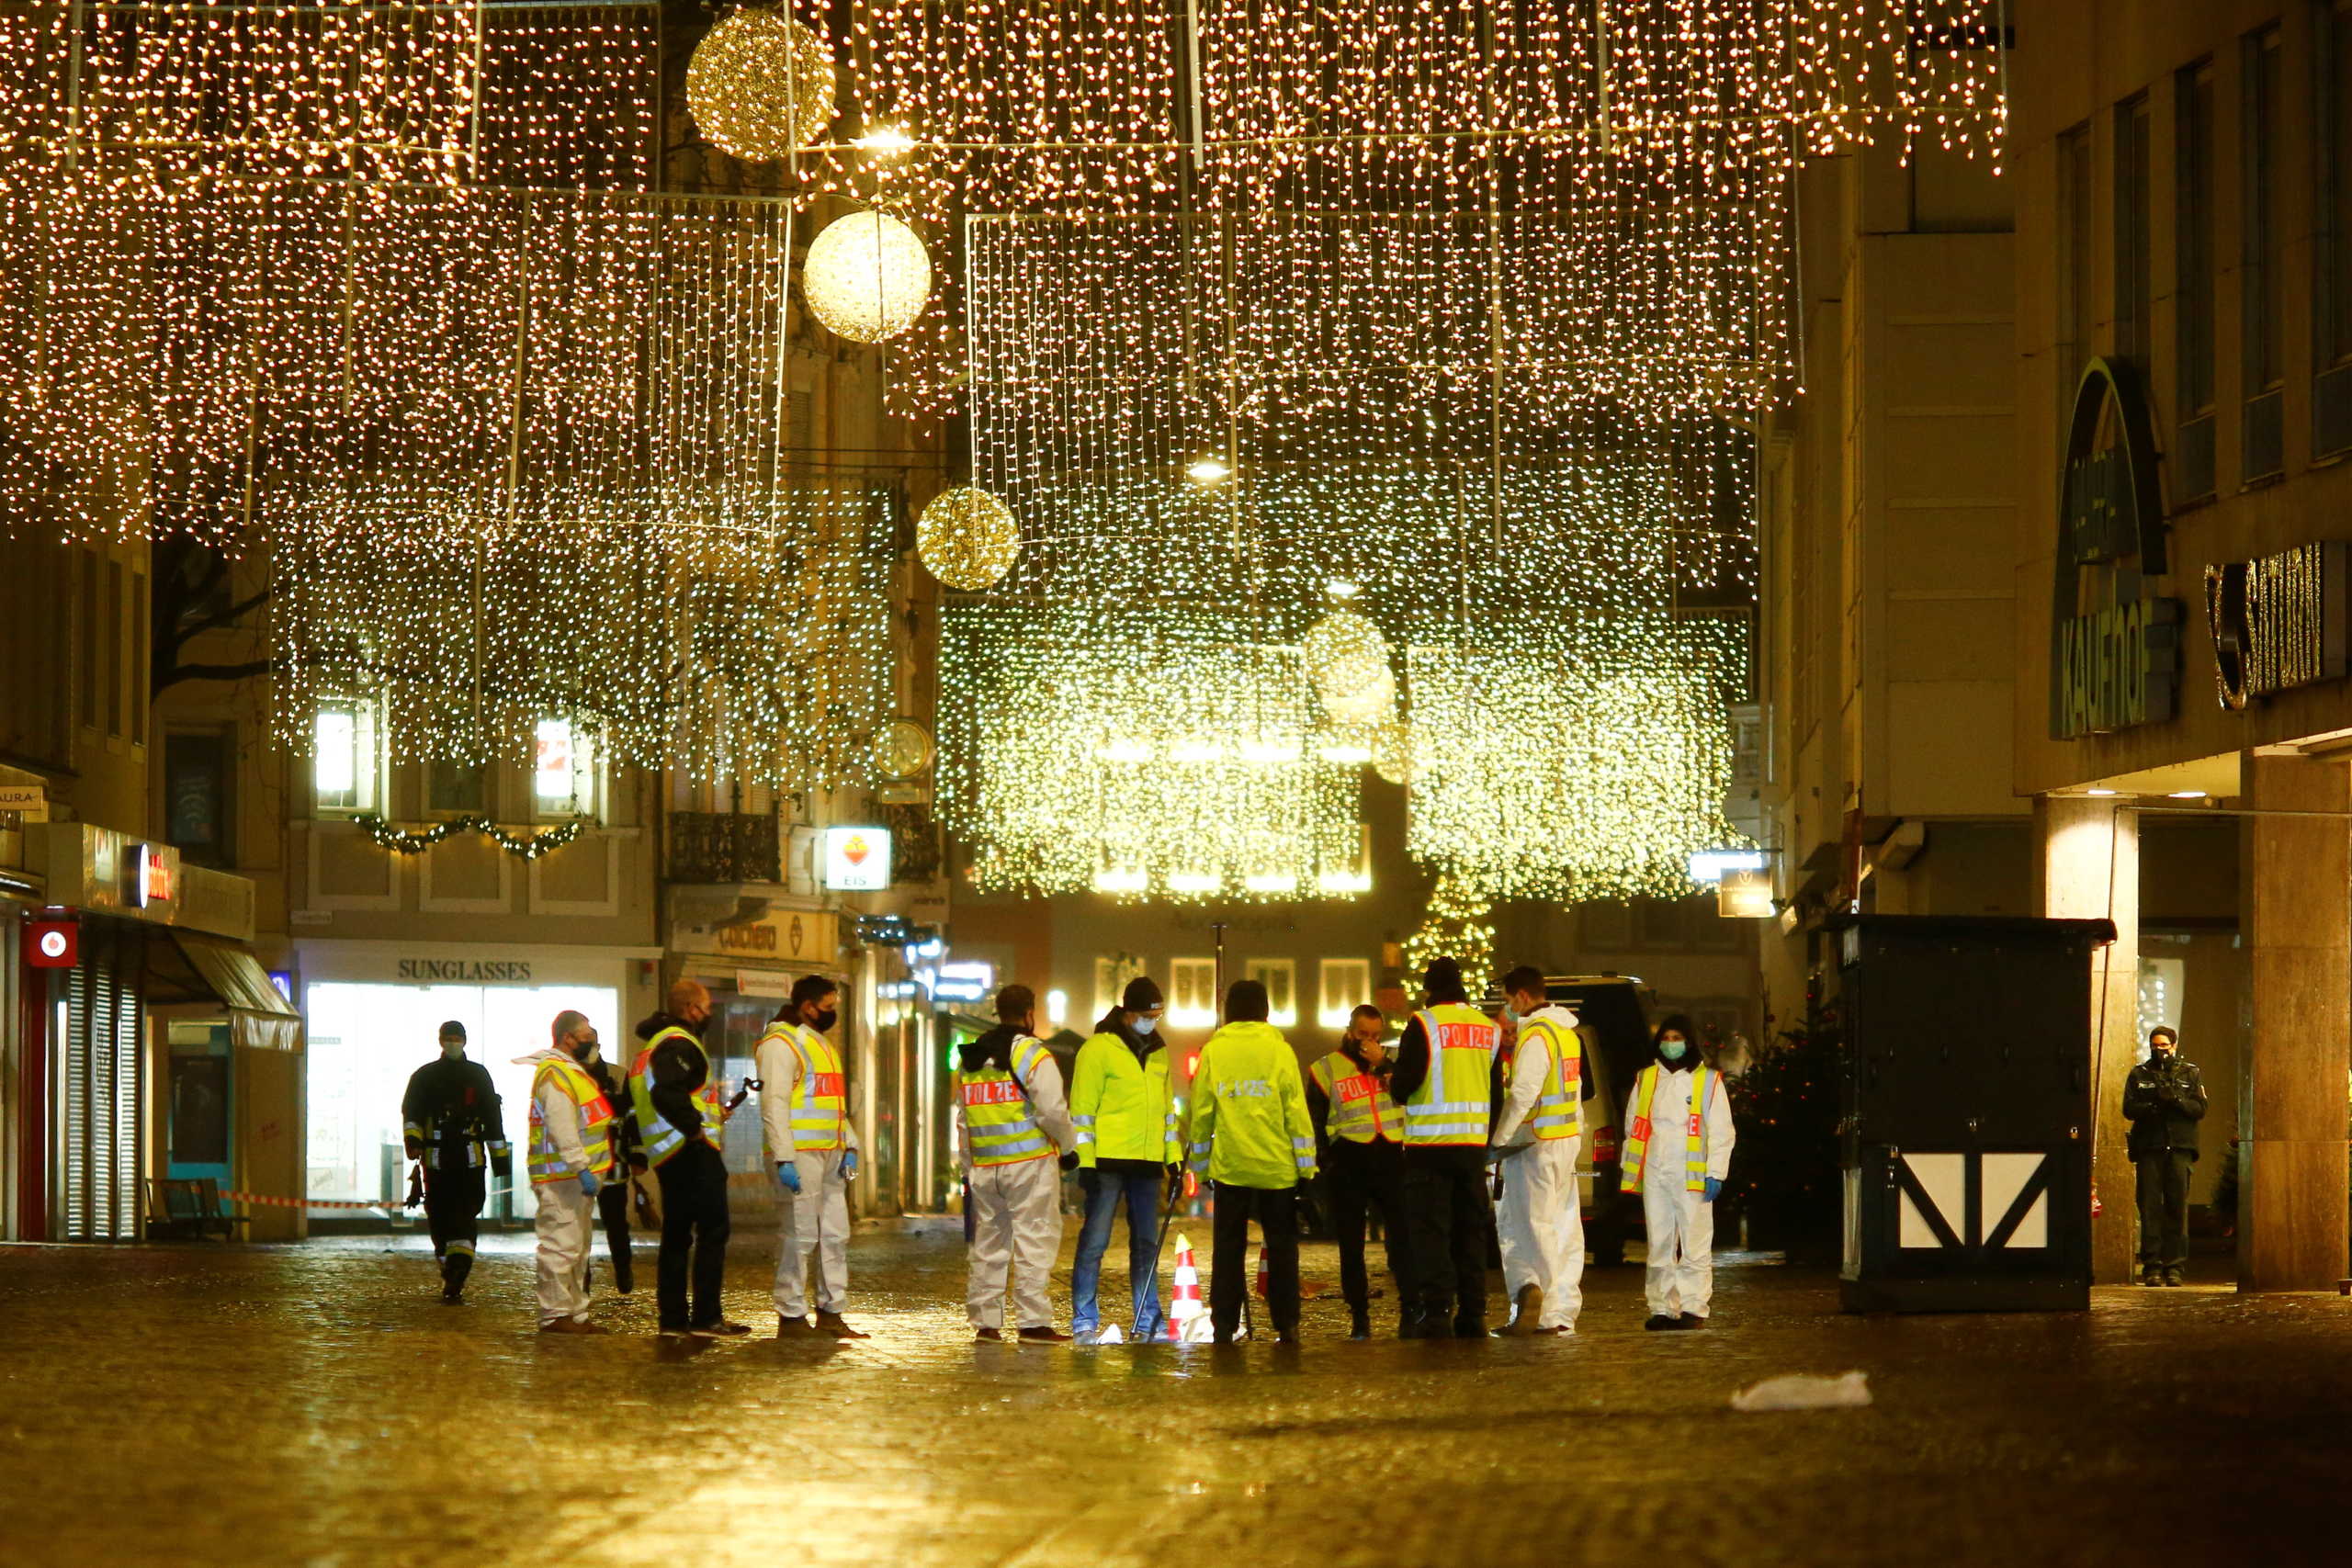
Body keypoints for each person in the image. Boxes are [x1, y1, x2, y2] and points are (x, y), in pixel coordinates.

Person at [1187, 978, 1317, 1345]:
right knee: (1281, 1249)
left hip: (1231, 1167)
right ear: (1265, 1011)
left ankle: (1224, 1325)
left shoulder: (1214, 1051)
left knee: (1228, 1250)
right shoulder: (1281, 1052)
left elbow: (1202, 1113)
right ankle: (1286, 1322)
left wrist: (1201, 1165)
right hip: (1276, 1168)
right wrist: (1305, 1166)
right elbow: (1296, 1112)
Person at [1387, 956, 1503, 1339]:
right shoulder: (1487, 1029)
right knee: (1470, 1231)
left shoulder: (1424, 1024)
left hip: (1429, 1146)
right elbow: (1495, 1093)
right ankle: (1473, 1313)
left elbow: (1405, 1083)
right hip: (1471, 1146)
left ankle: (1437, 1312)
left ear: (1429, 989)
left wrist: (1392, 1080)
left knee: (1431, 1231)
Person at [956, 983, 1077, 1342]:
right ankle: (1033, 1322)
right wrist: (1069, 1148)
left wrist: (967, 1167)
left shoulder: (973, 1059)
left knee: (989, 1244)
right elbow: (1052, 1110)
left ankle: (986, 1323)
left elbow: (963, 1120)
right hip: (1029, 1164)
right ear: (1029, 1014)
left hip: (985, 1168)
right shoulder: (1032, 1055)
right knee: (1034, 1239)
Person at [630, 979, 747, 1339]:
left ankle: (673, 1320)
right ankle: (707, 1319)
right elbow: (668, 1094)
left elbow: (646, 1102)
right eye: (706, 1007)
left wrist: (709, 1114)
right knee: (713, 1232)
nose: (709, 1014)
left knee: (677, 1236)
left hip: (668, 1154)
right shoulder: (679, 1044)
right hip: (691, 1152)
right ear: (690, 1009)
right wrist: (696, 1128)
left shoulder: (649, 1049)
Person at [756, 974, 869, 1339]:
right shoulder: (779, 1044)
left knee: (835, 1234)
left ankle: (831, 1311)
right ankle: (791, 1315)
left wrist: (849, 1145)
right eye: (828, 1007)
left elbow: (833, 1104)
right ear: (807, 1006)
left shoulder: (819, 1043)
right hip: (800, 1155)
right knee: (799, 1235)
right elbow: (773, 1104)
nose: (832, 1013)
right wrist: (783, 1158)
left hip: (830, 1154)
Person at [1069, 975, 1181, 1344]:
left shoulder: (1160, 1051)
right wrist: (1086, 1163)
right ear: (1129, 1013)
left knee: (1147, 1245)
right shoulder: (1098, 1049)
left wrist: (1173, 1158)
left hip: (1147, 1164)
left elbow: (1167, 1112)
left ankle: (1149, 1319)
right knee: (1095, 1243)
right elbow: (1081, 1113)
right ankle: (1084, 1320)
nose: (1154, 1021)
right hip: (1108, 1163)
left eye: (1159, 1015)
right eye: (1150, 1014)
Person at [1306, 1003, 1411, 1340]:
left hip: (1391, 1155)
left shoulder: (1390, 1064)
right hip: (1349, 1159)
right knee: (1351, 1245)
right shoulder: (1326, 1069)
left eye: (1376, 1036)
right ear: (1350, 1032)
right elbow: (1316, 1121)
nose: (1369, 1042)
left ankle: (1410, 1309)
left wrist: (1384, 1065)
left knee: (1403, 1238)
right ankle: (1359, 1316)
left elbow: (1407, 1094)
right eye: (1363, 1035)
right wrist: (1325, 1162)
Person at [1489, 966, 1584, 1337]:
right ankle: (1561, 1312)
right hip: (1564, 1140)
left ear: (1523, 997)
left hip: (1535, 1145)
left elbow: (1522, 1094)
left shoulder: (1537, 1038)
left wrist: (1498, 1139)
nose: (1508, 1009)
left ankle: (1542, 1314)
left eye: (1509, 1000)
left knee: (1533, 1227)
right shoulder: (1567, 1034)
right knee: (1564, 1228)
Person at [1623, 1013, 1734, 1330]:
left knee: (1694, 1242)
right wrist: (1630, 1168)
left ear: (1689, 1042)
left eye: (1677, 1038)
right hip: (1657, 1171)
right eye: (1666, 1039)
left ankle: (1694, 1308)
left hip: (1693, 1173)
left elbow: (1722, 1130)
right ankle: (1662, 1307)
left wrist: (1716, 1172)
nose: (1671, 1045)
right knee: (1659, 1243)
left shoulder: (1707, 1081)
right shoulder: (1646, 1079)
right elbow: (1634, 1128)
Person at [401, 1020, 511, 1305]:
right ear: (440, 1041)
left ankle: (458, 1271)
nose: (452, 1043)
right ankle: (449, 1268)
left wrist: (501, 1162)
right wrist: (413, 1142)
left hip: (470, 1159)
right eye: (447, 1038)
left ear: (464, 1041)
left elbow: (492, 1118)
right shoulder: (424, 1077)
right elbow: (411, 1112)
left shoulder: (478, 1075)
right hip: (436, 1161)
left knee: (465, 1214)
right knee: (438, 1218)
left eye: (456, 1038)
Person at [522, 1011, 616, 1335]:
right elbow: (563, 1126)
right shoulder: (556, 1074)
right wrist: (580, 1166)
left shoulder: (571, 1072)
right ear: (568, 1038)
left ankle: (575, 1313)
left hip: (573, 1179)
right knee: (560, 1246)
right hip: (563, 1177)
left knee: (577, 1249)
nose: (592, 1040)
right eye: (587, 1034)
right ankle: (554, 1314)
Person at [2123, 1025, 2208, 1287]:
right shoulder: (2140, 1074)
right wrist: (2154, 1104)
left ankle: (2174, 1268)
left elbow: (2200, 1108)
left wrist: (2177, 1101)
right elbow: (2129, 1108)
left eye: (2164, 1045)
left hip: (2180, 1148)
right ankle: (2152, 1267)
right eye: (2155, 1045)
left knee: (2176, 1210)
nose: (2160, 1050)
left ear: (2174, 1045)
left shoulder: (2189, 1073)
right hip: (2150, 1149)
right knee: (2149, 1209)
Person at [578, 1030, 641, 1295]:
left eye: (590, 1043)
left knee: (616, 1224)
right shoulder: (572, 1075)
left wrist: (638, 1154)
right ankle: (583, 1277)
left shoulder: (618, 1075)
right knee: (579, 1227)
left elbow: (632, 1116)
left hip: (613, 1163)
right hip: (580, 1165)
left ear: (599, 1045)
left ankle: (623, 1270)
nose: (587, 1048)